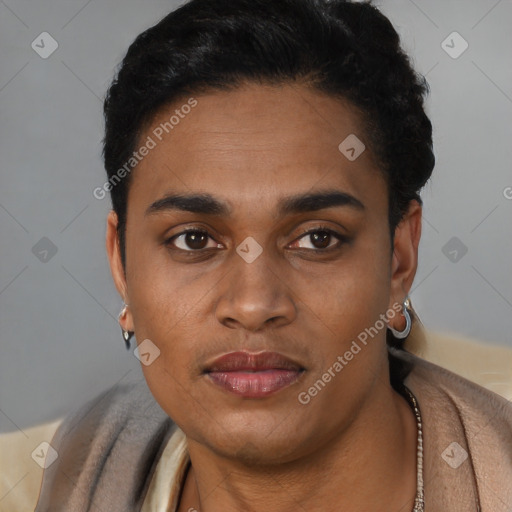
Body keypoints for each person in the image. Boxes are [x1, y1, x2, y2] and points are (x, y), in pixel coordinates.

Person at [31, 0, 512, 510]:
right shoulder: (78, 467)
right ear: (123, 266)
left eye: (317, 239)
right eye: (194, 240)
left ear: (398, 260)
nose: (254, 303)